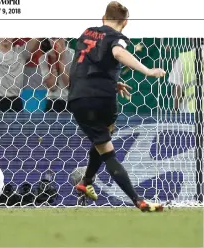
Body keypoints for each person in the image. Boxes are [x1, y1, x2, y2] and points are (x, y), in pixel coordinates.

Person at [67, 1, 166, 212]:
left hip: (78, 97)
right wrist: (147, 71)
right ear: (125, 23)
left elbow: (88, 62)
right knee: (107, 149)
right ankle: (138, 201)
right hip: (102, 98)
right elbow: (118, 53)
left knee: (101, 139)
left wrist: (112, 80)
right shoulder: (117, 38)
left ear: (103, 19)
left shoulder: (86, 32)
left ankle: (85, 181)